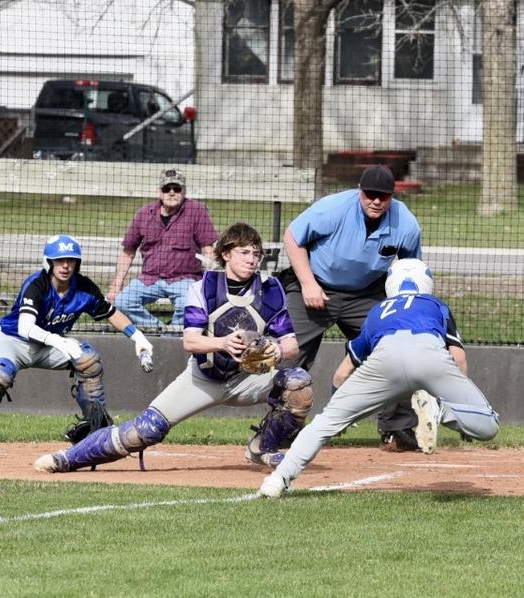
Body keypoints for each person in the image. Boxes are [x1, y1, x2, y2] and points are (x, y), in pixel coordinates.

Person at [34, 223, 314, 473]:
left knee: (298, 383)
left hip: (247, 379)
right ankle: (67, 459)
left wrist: (276, 350)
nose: (252, 260)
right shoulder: (203, 287)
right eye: (244, 252)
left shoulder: (271, 288)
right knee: (145, 430)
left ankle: (262, 447)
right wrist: (222, 343)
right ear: (226, 254)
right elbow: (190, 341)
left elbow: (290, 343)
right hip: (203, 379)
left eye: (256, 254)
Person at [259, 259, 499, 498]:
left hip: (384, 359)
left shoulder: (377, 311)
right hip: (429, 353)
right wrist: (457, 406)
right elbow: (458, 358)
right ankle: (440, 411)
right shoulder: (436, 305)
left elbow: (343, 372)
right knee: (488, 426)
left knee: (323, 424)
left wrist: (339, 407)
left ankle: (277, 479)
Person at [280, 164, 425, 451]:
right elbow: (293, 238)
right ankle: (282, 427)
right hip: (316, 285)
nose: (376, 201)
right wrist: (308, 284)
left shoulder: (406, 223)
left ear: (392, 197)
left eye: (383, 196)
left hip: (367, 292)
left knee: (396, 347)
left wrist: (405, 310)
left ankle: (398, 429)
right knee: (291, 352)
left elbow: (412, 268)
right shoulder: (332, 208)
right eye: (370, 194)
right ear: (360, 190)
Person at [0, 234, 154, 430]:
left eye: (71, 260)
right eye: (60, 260)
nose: (65, 266)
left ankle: (98, 427)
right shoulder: (36, 284)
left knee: (89, 361)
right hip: (14, 341)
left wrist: (137, 336)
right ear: (49, 262)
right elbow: (25, 328)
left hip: (49, 346)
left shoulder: (84, 287)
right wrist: (57, 340)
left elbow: (110, 312)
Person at [107, 168, 219, 330]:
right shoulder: (144, 214)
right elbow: (128, 252)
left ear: (184, 191)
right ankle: (160, 330)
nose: (171, 193)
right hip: (149, 279)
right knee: (121, 302)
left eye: (177, 189)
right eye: (167, 189)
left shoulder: (197, 211)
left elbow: (208, 248)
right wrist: (116, 286)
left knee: (186, 304)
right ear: (159, 191)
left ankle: (174, 339)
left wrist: (211, 280)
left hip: (185, 279)